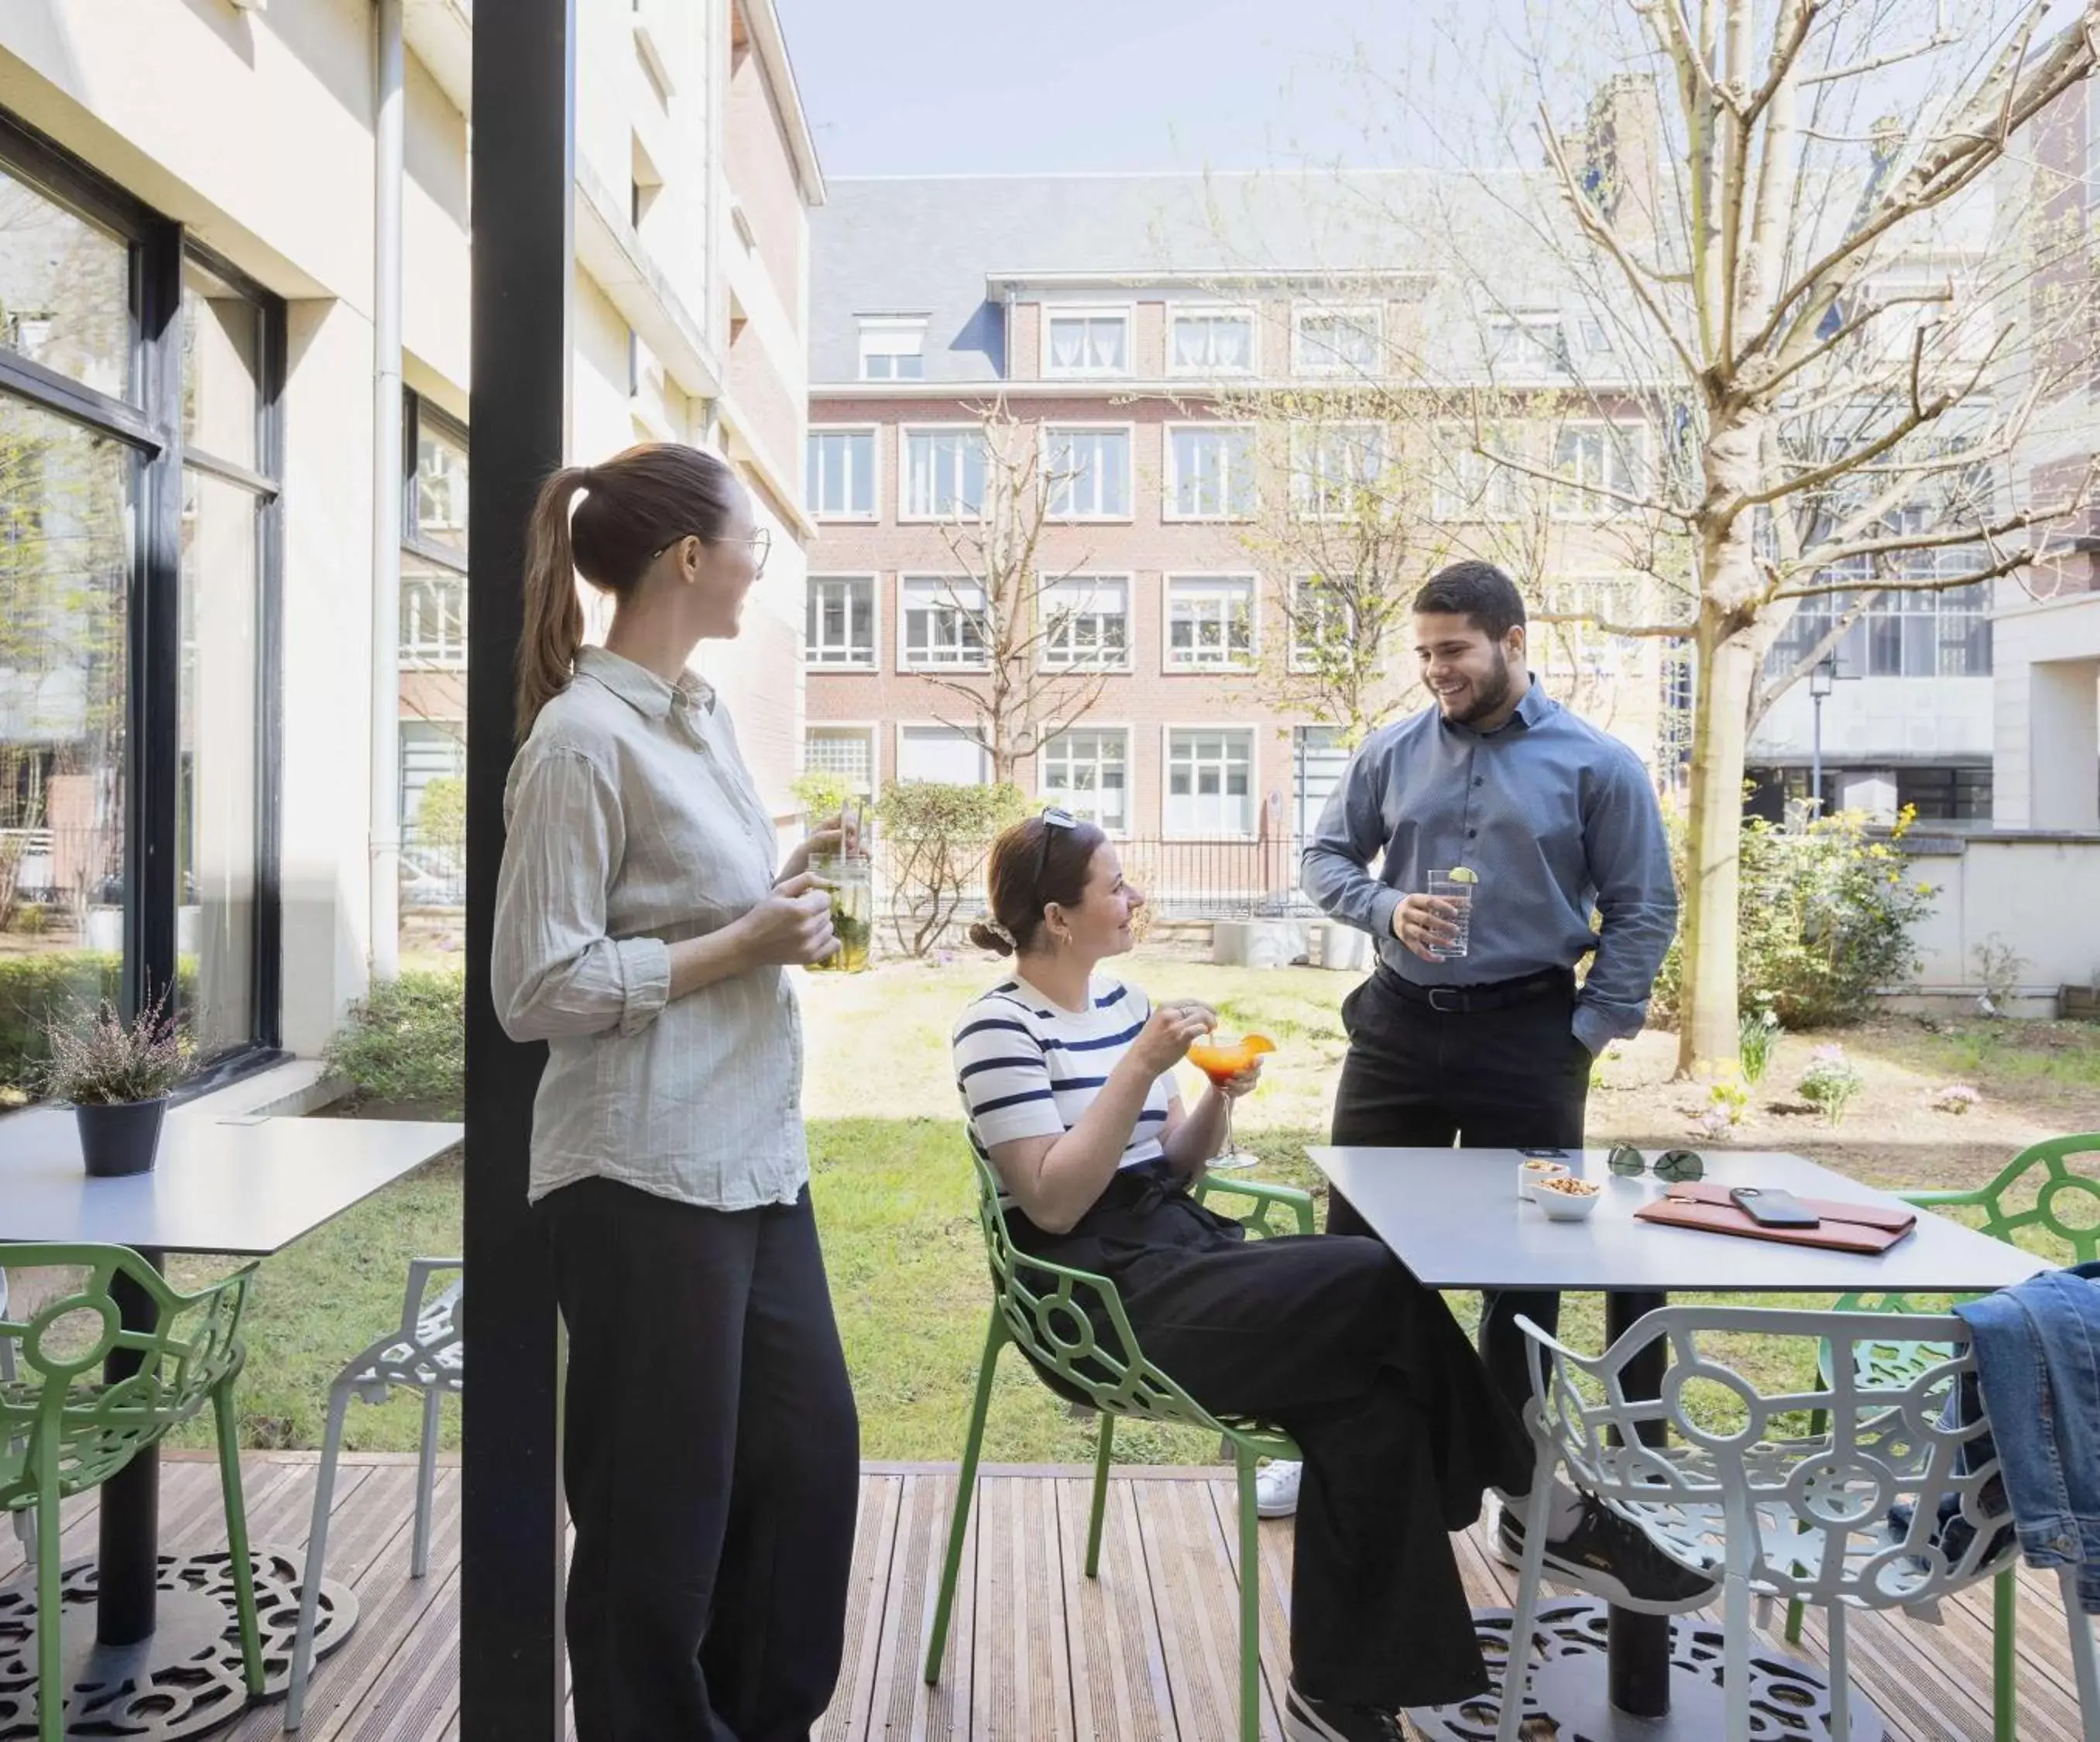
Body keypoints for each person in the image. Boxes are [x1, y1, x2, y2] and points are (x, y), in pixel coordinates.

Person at [953, 812, 1709, 1742]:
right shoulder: (997, 1027)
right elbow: (1056, 1203)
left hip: (1180, 1247)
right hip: (1103, 1297)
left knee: (1373, 1403)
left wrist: (1213, 1103)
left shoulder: (1121, 1002)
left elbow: (1173, 1167)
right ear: (1058, 916)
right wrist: (1140, 1067)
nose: (1134, 896)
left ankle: (1339, 1697)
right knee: (1373, 1272)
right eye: (1114, 884)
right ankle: (1543, 1509)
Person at [492, 442, 860, 1742]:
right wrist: (742, 947)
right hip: (641, 1174)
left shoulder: (694, 713)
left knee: (805, 1470)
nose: (765, 558)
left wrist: (790, 864)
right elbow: (536, 988)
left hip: (753, 1159)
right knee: (661, 1520)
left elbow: (686, 886)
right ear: (690, 559)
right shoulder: (581, 741)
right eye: (750, 536)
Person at [1295, 558, 1679, 1554]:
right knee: (1359, 1255)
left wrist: (1586, 1033)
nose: (1436, 671)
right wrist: (1384, 907)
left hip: (1529, 1039)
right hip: (1396, 1029)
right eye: (1424, 653)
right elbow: (1327, 859)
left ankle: (1526, 1490)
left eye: (1454, 650)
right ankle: (1351, 1455)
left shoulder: (1601, 767)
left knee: (1526, 1273)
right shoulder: (1391, 752)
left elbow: (1645, 908)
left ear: (1513, 642)